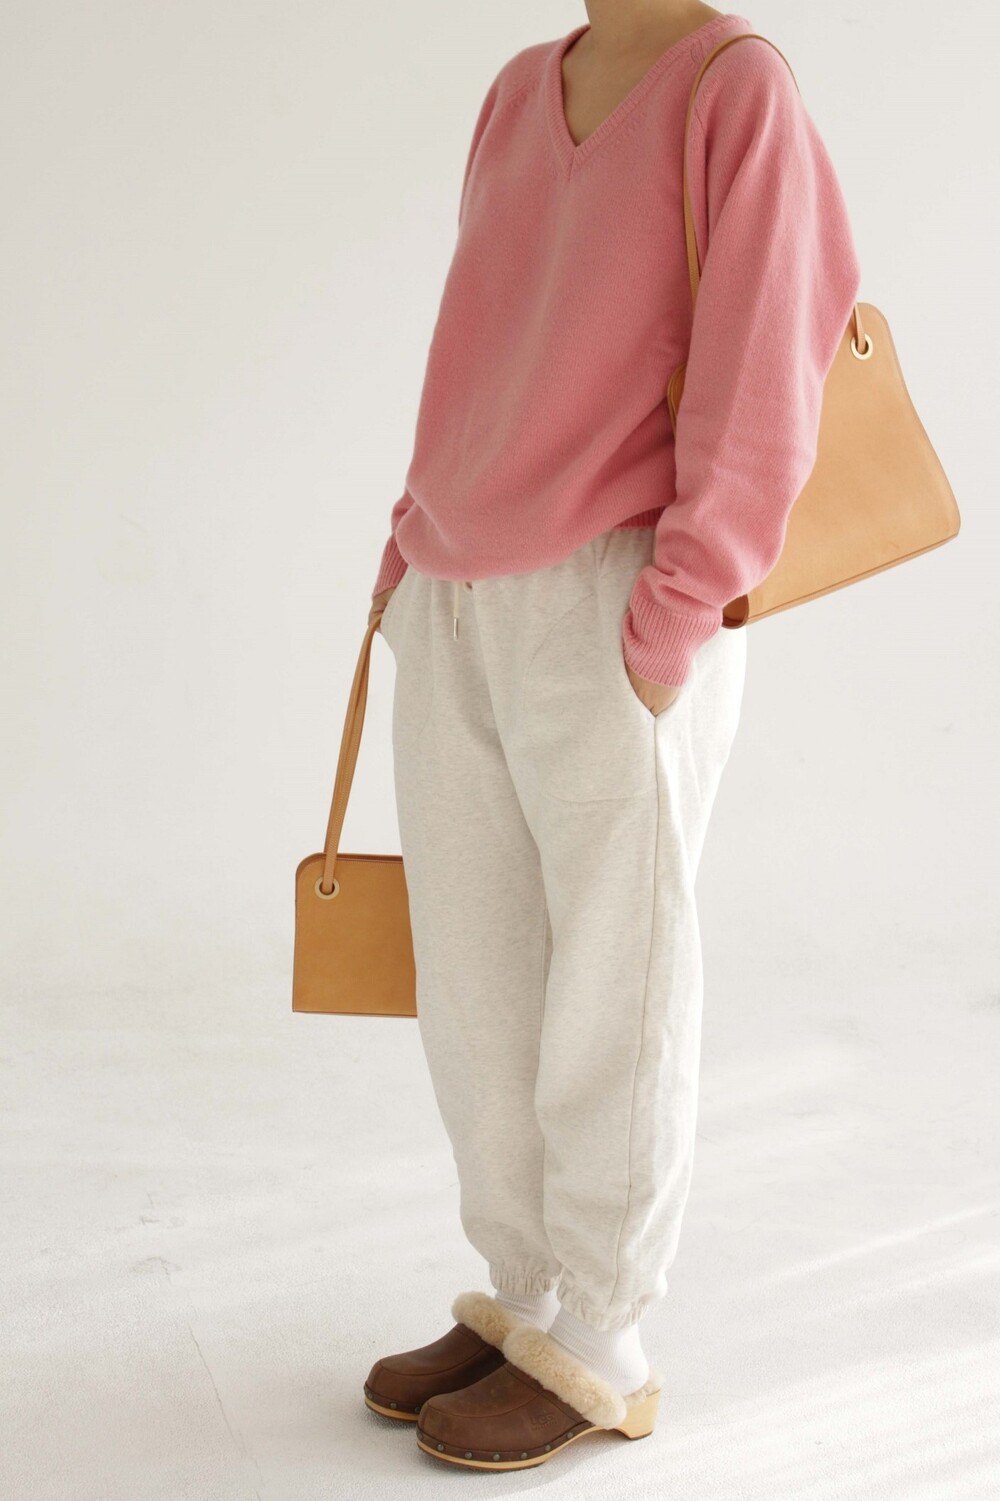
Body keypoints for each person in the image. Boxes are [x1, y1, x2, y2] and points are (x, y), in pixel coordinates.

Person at [362, 0, 860, 1471]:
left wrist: (675, 610)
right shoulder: (524, 88)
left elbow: (771, 369)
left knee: (614, 981)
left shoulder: (736, 88)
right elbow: (475, 333)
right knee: (478, 978)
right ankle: (525, 1292)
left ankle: (603, 1338)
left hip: (618, 595)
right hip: (459, 589)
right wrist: (407, 546)